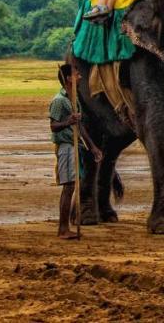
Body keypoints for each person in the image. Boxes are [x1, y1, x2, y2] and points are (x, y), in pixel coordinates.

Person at [49, 62, 101, 239]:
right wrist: (67, 121)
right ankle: (63, 229)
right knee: (68, 187)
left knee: (72, 185)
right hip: (65, 147)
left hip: (75, 146)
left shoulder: (73, 99)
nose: (80, 76)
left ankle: (65, 228)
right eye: (76, 74)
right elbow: (53, 126)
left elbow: (80, 127)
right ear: (69, 78)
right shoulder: (59, 100)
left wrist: (92, 147)